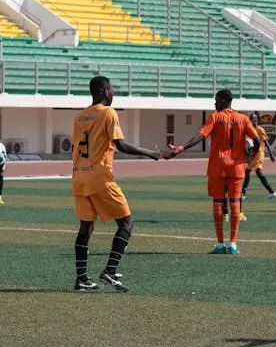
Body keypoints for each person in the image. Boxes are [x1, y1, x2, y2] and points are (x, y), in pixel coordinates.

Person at [71, 76, 161, 292]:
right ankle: (110, 271)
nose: (113, 94)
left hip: (79, 176)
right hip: (100, 178)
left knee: (86, 228)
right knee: (127, 223)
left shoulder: (80, 116)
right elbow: (120, 144)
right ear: (104, 91)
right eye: (111, 90)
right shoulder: (108, 113)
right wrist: (150, 153)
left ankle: (81, 278)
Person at [164, 89, 260, 255]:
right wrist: (251, 155)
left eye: (216, 100)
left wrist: (181, 148)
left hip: (218, 166)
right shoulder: (243, 119)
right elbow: (256, 140)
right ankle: (233, 244)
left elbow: (200, 136)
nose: (214, 103)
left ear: (223, 101)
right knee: (235, 202)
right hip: (237, 167)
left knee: (218, 202)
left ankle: (220, 243)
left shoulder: (215, 117)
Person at [238, 112, 276, 218]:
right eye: (252, 118)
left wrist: (271, 155)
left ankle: (244, 192)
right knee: (255, 172)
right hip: (253, 154)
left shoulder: (260, 129)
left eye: (255, 118)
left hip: (259, 153)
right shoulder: (249, 129)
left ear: (258, 120)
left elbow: (266, 143)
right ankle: (271, 191)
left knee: (250, 172)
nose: (253, 120)